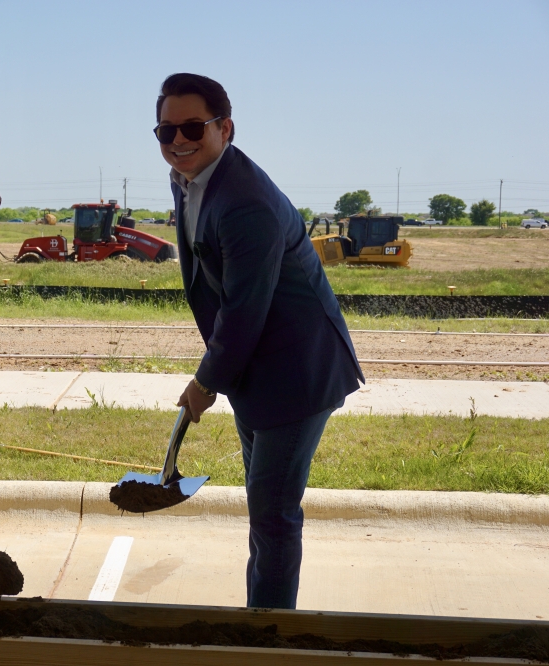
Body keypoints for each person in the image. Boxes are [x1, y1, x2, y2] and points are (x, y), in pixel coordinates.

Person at [156, 73, 363, 609]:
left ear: (224, 127)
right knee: (264, 505)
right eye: (165, 130)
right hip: (257, 371)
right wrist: (219, 374)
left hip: (295, 374)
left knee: (273, 513)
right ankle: (263, 620)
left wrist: (206, 381)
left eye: (192, 127)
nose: (177, 140)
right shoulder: (192, 180)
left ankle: (270, 634)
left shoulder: (244, 201)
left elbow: (246, 308)